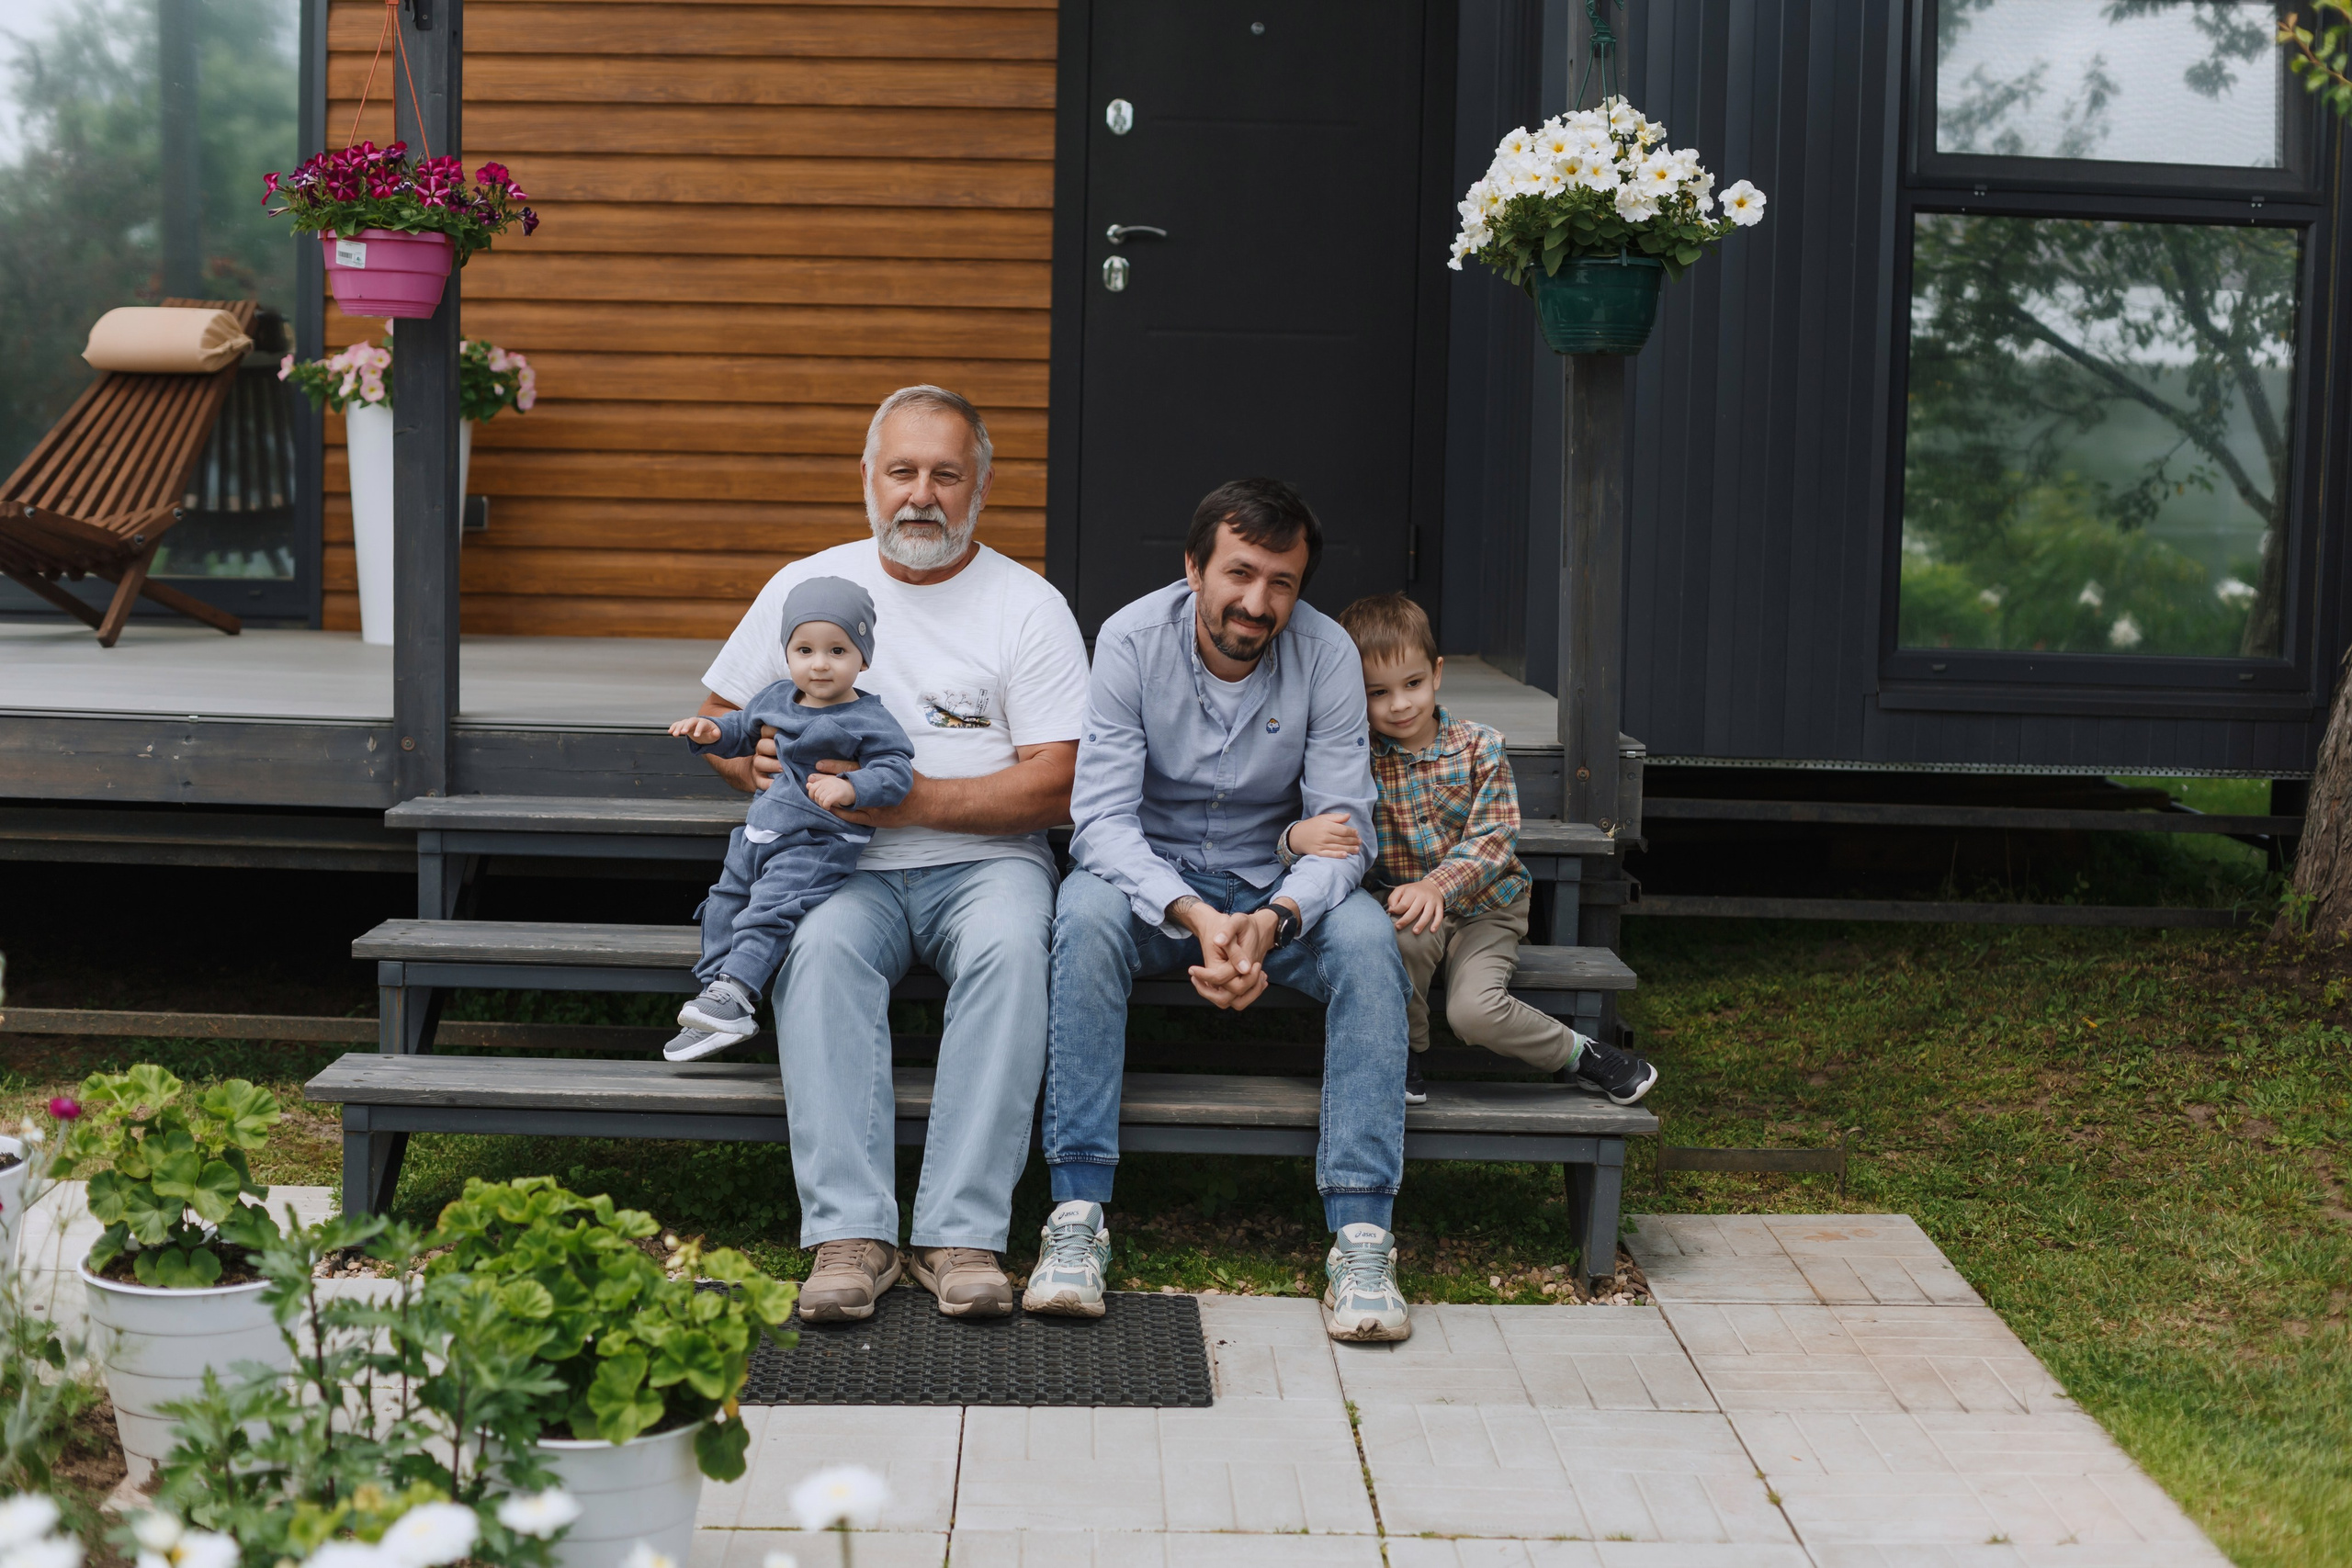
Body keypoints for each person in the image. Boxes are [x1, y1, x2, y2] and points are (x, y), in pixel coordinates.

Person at [695, 385, 1090, 1323]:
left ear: (980, 487)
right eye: (902, 471)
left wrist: (916, 803)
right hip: (835, 866)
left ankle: (963, 1234)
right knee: (818, 952)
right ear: (867, 479)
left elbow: (1060, 783)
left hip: (988, 862)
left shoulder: (1027, 606)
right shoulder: (809, 582)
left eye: (945, 475)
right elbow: (720, 717)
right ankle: (851, 1235)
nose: (921, 494)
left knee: (1009, 949)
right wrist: (744, 762)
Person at [1028, 477, 1417, 1343]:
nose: (1258, 601)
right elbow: (1099, 820)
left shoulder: (1325, 656)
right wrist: (1196, 915)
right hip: (1154, 881)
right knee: (1084, 918)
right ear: (1194, 567)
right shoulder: (1131, 639)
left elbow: (1345, 826)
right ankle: (1077, 1215)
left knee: (1363, 937)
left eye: (1282, 581)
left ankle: (1362, 1231)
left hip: (1275, 881)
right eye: (1240, 573)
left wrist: (1273, 918)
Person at [1289, 592, 1657, 1106]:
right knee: (1395, 939)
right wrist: (1295, 838)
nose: (1399, 704)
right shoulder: (1355, 761)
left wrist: (1436, 884)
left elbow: (1495, 836)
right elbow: (1326, 833)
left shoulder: (1479, 747)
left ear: (1436, 674)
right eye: (1378, 692)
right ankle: (1402, 1052)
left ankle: (1582, 1054)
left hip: (1488, 907)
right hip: (1406, 908)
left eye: (1412, 684)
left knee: (1473, 1012)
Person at [662, 577, 915, 1063]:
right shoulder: (775, 698)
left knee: (768, 910)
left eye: (838, 650)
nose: (820, 664)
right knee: (723, 905)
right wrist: (710, 730)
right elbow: (739, 730)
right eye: (805, 649)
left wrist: (852, 786)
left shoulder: (868, 718)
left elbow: (896, 772)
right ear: (787, 654)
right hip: (758, 832)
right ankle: (716, 997)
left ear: (863, 657)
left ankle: (734, 992)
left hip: (818, 840)